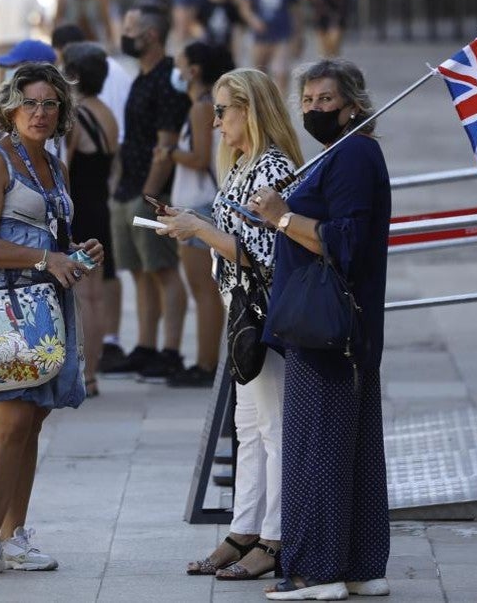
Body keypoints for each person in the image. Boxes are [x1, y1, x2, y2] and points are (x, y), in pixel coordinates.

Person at [248, 59, 391, 600]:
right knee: (346, 448)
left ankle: (316, 572)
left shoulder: (354, 152)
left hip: (328, 330)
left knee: (316, 449)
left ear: (352, 103)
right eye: (306, 101)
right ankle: (358, 566)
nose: (313, 110)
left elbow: (346, 239)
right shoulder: (345, 153)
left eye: (325, 101)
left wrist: (282, 217)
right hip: (338, 329)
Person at [156, 68, 302, 580]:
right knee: (249, 426)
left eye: (222, 111)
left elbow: (263, 253)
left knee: (272, 426)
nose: (215, 122)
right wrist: (195, 226)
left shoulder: (273, 167)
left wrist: (200, 230)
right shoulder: (245, 163)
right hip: (241, 311)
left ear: (250, 110)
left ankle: (275, 536)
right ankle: (245, 530)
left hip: (263, 313)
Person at [0, 62, 103, 577]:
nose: (40, 113)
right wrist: (46, 260)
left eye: (50, 104)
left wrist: (78, 251)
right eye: (30, 103)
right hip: (7, 306)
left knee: (34, 421)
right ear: (10, 107)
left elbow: (55, 240)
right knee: (10, 422)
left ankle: (14, 536)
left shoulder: (56, 165)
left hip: (49, 307)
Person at [106, 5, 191, 380]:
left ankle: (170, 350)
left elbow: (166, 143)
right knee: (140, 270)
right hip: (130, 188)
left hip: (150, 192)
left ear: (151, 35)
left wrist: (150, 194)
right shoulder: (141, 76)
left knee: (163, 269)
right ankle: (145, 344)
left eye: (131, 28)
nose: (125, 34)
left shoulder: (169, 79)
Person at [155, 41, 234, 387]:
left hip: (200, 205)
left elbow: (201, 157)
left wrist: (170, 152)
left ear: (195, 70)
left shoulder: (202, 109)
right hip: (196, 203)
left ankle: (206, 363)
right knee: (201, 287)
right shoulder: (201, 106)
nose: (178, 69)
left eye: (182, 63)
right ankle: (206, 361)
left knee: (203, 288)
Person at [61, 42, 118, 397]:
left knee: (84, 295)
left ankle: (86, 374)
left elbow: (64, 167)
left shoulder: (78, 116)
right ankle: (92, 374)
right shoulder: (108, 112)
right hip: (100, 207)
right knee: (94, 295)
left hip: (80, 212)